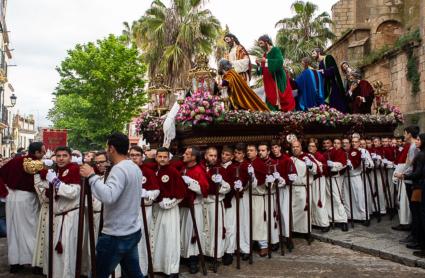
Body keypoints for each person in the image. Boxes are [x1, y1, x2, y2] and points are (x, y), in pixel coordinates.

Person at [80, 132, 143, 278]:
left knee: (97, 274)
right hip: (131, 230)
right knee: (134, 274)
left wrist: (91, 176)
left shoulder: (119, 169)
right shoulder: (134, 167)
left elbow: (108, 196)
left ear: (112, 148)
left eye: (107, 147)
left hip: (116, 235)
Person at [0, 142, 46, 273]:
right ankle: (36, 263)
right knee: (31, 230)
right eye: (42, 152)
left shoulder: (15, 160)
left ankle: (15, 263)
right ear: (36, 153)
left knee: (13, 230)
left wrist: (4, 192)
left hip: (11, 198)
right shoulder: (35, 163)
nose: (44, 154)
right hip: (27, 199)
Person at [41, 146, 81, 278]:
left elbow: (73, 192)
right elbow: (48, 196)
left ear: (70, 157)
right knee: (52, 252)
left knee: (65, 253)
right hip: (56, 217)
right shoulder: (56, 170)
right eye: (58, 156)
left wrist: (55, 181)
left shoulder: (74, 170)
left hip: (68, 217)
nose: (61, 158)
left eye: (64, 155)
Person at [153, 147, 187, 277]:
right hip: (157, 209)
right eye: (160, 157)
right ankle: (159, 266)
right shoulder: (156, 171)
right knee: (159, 238)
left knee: (170, 239)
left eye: (165, 157)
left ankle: (171, 269)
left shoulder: (173, 171)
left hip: (170, 210)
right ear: (156, 157)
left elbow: (182, 193)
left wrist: (169, 203)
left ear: (169, 158)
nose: (162, 159)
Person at [129, 145, 160, 277]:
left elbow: (156, 191)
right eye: (132, 155)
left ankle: (142, 270)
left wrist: (146, 193)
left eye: (137, 155)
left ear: (142, 157)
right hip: (128, 212)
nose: (134, 157)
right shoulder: (126, 171)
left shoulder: (148, 172)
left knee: (141, 242)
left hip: (143, 212)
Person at [179, 146, 209, 274]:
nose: (184, 155)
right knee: (183, 232)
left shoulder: (199, 170)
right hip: (183, 206)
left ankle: (193, 260)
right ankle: (184, 256)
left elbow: (204, 189)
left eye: (187, 154)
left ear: (193, 157)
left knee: (192, 234)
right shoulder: (184, 168)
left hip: (194, 206)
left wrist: (190, 182)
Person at [200, 147, 231, 261]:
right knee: (203, 228)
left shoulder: (220, 169)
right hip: (202, 203)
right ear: (205, 156)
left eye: (215, 156)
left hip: (214, 203)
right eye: (211, 155)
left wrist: (219, 187)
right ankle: (204, 252)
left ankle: (215, 254)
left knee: (216, 229)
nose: (213, 158)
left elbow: (228, 187)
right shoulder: (200, 168)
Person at [394, 126, 420, 248]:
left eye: (405, 133)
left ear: (409, 134)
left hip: (412, 180)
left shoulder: (414, 147)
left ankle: (416, 235)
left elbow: (411, 163)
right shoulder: (411, 146)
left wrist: (403, 174)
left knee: (415, 209)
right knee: (413, 208)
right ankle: (414, 233)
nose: (404, 136)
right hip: (409, 178)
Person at [400, 133, 425, 258]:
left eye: (419, 140)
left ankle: (421, 244)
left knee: (420, 215)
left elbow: (418, 173)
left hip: (420, 187)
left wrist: (403, 175)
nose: (416, 142)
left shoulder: (421, 155)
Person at [256, 35, 295, 111]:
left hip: (278, 78)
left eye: (261, 43)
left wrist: (266, 61)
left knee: (282, 98)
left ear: (266, 42)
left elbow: (280, 61)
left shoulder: (275, 50)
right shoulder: (265, 54)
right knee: (270, 98)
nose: (260, 46)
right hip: (269, 81)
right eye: (259, 44)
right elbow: (262, 70)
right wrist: (258, 65)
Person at [291, 140, 318, 235]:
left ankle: (306, 231)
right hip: (293, 188)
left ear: (301, 147)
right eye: (293, 147)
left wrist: (310, 165)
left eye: (297, 146)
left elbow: (316, 170)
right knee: (293, 210)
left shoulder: (307, 157)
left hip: (303, 188)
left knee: (304, 210)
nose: (295, 148)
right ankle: (294, 230)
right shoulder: (290, 159)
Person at [312, 47, 347, 113]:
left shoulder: (328, 58)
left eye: (313, 53)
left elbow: (333, 70)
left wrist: (322, 71)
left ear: (318, 53)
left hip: (333, 86)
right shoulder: (320, 64)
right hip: (326, 88)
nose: (312, 55)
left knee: (337, 106)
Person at [324, 139, 349, 231]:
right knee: (328, 199)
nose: (326, 145)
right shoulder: (325, 153)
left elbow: (342, 164)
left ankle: (343, 220)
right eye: (324, 143)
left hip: (335, 177)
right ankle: (331, 219)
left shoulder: (339, 152)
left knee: (337, 198)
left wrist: (333, 164)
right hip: (327, 178)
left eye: (328, 143)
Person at [308, 141, 330, 232]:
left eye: (313, 146)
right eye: (309, 146)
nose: (310, 148)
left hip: (319, 180)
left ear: (316, 148)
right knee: (313, 201)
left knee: (319, 201)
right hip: (312, 180)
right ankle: (315, 222)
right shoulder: (308, 156)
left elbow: (325, 168)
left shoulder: (319, 156)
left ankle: (324, 224)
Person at [342, 138, 366, 221]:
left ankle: (363, 217)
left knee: (359, 197)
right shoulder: (341, 152)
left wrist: (351, 164)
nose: (345, 144)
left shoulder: (356, 152)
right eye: (343, 143)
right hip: (345, 178)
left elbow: (357, 162)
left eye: (347, 143)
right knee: (347, 198)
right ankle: (350, 216)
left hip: (355, 177)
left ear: (350, 144)